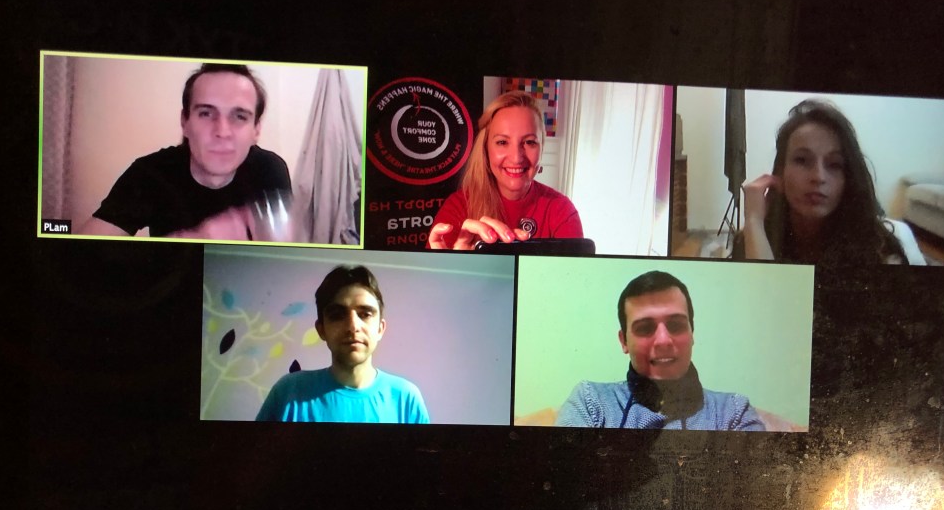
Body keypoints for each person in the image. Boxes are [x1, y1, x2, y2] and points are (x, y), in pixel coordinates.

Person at [78, 63, 291, 239]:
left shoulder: (269, 170)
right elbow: (79, 253)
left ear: (256, 131)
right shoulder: (150, 173)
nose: (222, 132)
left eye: (239, 116)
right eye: (206, 113)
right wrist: (196, 239)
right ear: (185, 122)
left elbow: (285, 253)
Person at [556, 271, 764, 430]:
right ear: (624, 341)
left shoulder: (734, 412)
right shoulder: (591, 403)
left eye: (676, 325)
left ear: (692, 333)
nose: (663, 340)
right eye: (645, 328)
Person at [733, 99, 924, 266]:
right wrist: (754, 222)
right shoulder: (754, 236)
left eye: (834, 165)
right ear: (780, 171)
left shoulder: (880, 250)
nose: (819, 177)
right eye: (802, 160)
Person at [256, 265, 430, 424]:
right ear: (321, 329)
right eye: (337, 315)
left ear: (380, 329)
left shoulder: (406, 400)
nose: (353, 326)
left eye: (365, 314)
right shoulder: (288, 392)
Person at [428, 90, 582, 250]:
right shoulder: (458, 207)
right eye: (502, 142)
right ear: (486, 148)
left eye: (530, 142)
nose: (516, 158)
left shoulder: (562, 210)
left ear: (542, 148)